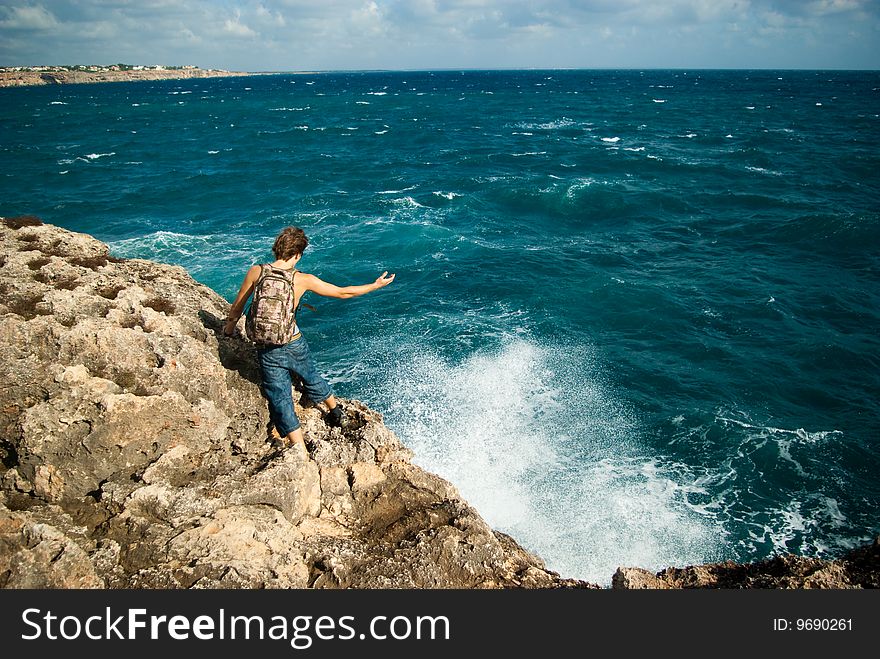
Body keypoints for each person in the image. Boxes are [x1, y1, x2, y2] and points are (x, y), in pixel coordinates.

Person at [223, 226, 395, 453]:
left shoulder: (257, 271)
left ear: (276, 249)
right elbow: (344, 293)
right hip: (293, 341)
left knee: (280, 396)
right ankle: (335, 411)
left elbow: (238, 305)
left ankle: (299, 448)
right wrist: (375, 285)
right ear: (297, 254)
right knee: (311, 375)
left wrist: (228, 328)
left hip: (267, 347)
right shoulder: (302, 279)